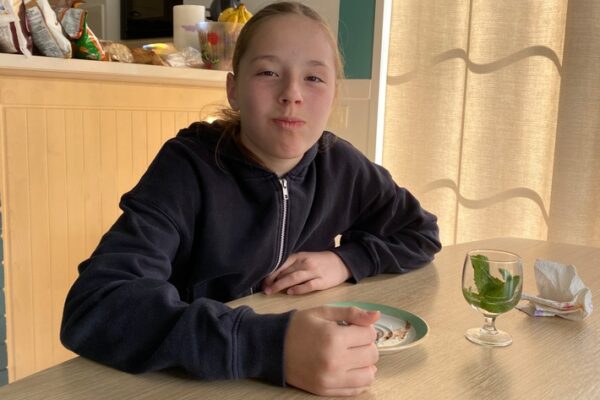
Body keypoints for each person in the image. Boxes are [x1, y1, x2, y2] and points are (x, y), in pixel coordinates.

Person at [60, 1, 441, 397]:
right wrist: (271, 345)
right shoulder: (187, 169)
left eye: (313, 77)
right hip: (193, 383)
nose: (291, 94)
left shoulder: (341, 165)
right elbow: (95, 305)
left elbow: (420, 233)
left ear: (333, 97)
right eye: (268, 72)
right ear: (234, 89)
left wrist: (345, 261)